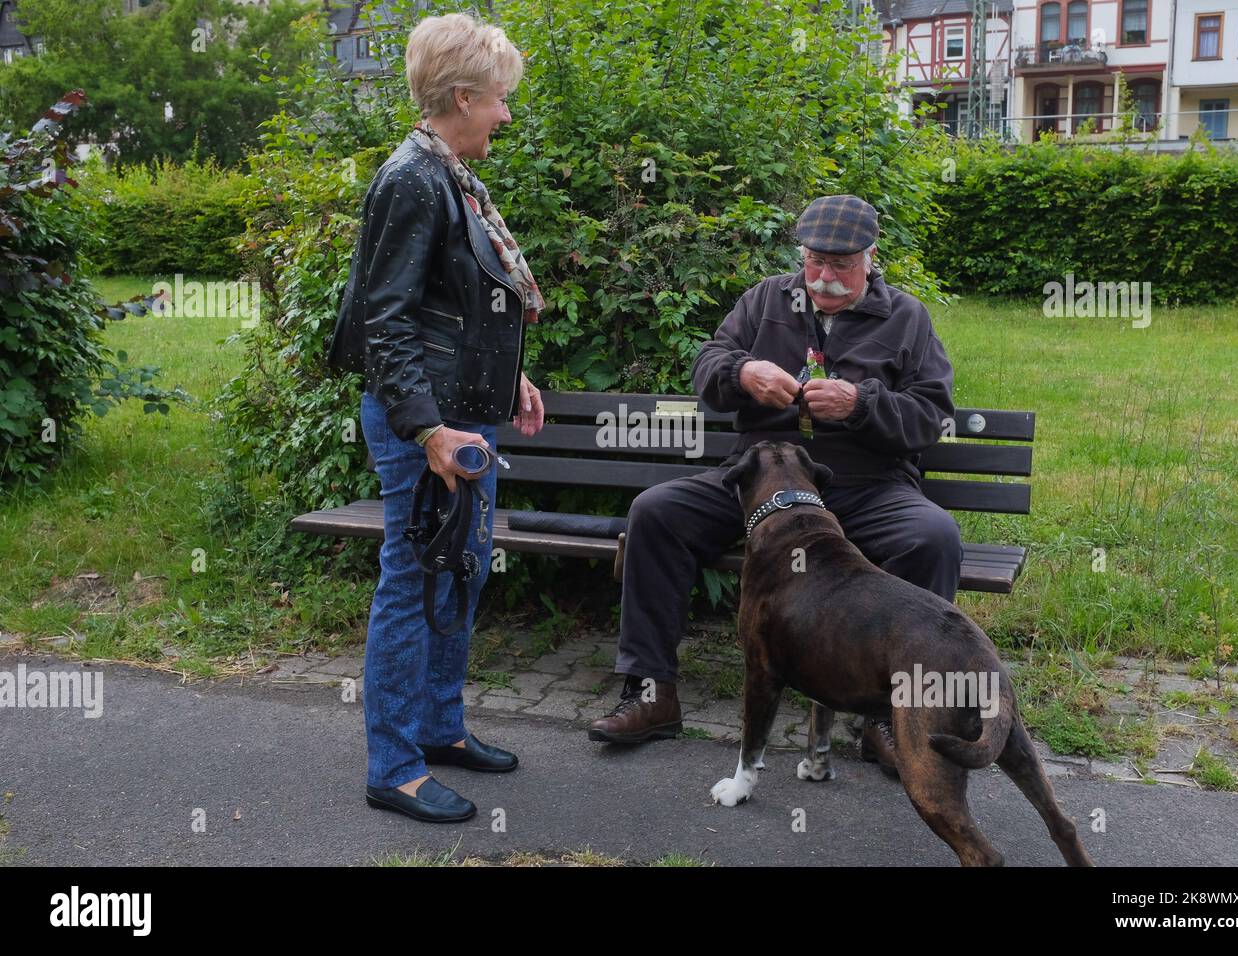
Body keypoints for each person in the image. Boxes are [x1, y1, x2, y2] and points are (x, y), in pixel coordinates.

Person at [589, 195, 962, 771]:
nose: (823, 277)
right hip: (759, 480)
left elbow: (933, 419)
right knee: (657, 512)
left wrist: (860, 405)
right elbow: (708, 366)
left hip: (863, 487)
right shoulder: (767, 299)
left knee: (932, 537)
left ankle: (893, 717)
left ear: (871, 256)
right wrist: (742, 372)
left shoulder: (906, 317)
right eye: (814, 261)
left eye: (840, 265)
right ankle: (651, 693)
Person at [326, 13, 546, 823]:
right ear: (462, 96)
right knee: (414, 581)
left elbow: (451, 307)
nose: (506, 115)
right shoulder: (412, 180)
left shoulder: (449, 174)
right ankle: (395, 766)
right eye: (498, 100)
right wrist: (428, 431)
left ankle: (439, 729)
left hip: (464, 418)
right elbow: (385, 322)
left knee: (463, 569)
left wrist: (510, 376)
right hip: (427, 427)